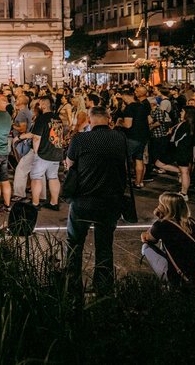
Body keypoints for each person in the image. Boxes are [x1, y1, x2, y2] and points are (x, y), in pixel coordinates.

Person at [63, 106, 127, 296]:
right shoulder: (119, 138)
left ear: (90, 120)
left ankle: (72, 284)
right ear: (109, 119)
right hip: (110, 199)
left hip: (83, 199)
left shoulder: (81, 139)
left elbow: (70, 164)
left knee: (74, 243)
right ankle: (103, 286)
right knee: (105, 245)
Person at [140, 192, 195, 284]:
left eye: (160, 204)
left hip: (179, 277)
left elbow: (146, 238)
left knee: (146, 247)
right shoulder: (192, 222)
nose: (158, 206)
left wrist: (158, 220)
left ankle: (166, 281)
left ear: (166, 208)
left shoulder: (162, 225)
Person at [23, 96, 64, 212]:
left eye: (40, 104)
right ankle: (54, 203)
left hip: (43, 153)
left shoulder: (42, 118)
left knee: (36, 177)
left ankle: (35, 203)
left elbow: (36, 137)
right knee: (53, 177)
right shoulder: (57, 118)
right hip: (56, 151)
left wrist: (36, 152)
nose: (38, 106)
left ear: (44, 105)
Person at [154, 105, 195, 199]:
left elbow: (177, 139)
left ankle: (184, 193)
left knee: (183, 171)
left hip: (179, 150)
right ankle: (184, 191)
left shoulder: (186, 125)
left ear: (187, 114)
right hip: (181, 150)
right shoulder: (187, 124)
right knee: (183, 171)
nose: (180, 113)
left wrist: (171, 134)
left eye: (182, 111)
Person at [120, 87, 151, 188]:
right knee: (139, 159)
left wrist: (120, 122)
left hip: (132, 137)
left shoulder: (130, 108)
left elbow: (128, 125)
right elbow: (150, 120)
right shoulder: (142, 106)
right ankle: (138, 182)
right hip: (143, 137)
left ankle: (122, 182)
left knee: (123, 159)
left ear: (126, 96)